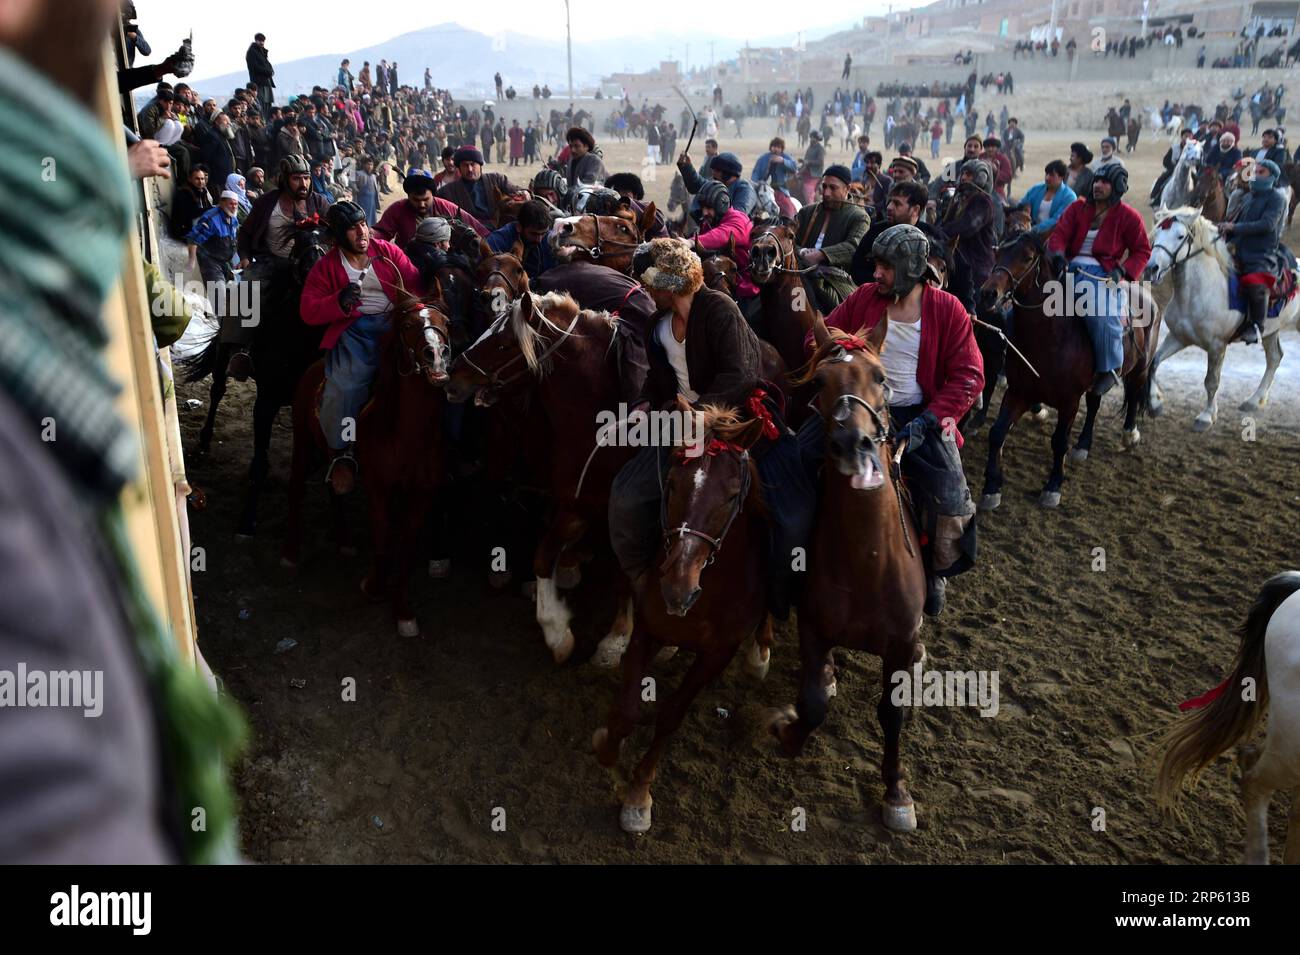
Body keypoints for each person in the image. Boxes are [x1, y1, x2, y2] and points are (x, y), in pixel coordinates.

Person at [608, 239, 813, 621]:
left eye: (651, 283)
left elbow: (741, 373)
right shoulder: (658, 323)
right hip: (678, 422)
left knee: (790, 512)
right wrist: (641, 404)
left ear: (671, 283)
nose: (646, 290)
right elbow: (657, 378)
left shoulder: (720, 309)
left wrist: (702, 413)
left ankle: (776, 598)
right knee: (626, 498)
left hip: (734, 421)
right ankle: (639, 579)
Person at [801, 224, 983, 615]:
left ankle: (934, 570)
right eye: (876, 266)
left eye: (885, 267)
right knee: (795, 462)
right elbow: (817, 339)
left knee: (948, 493)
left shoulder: (948, 309)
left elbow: (970, 375)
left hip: (921, 415)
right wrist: (840, 352)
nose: (876, 274)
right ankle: (794, 557)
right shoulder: (865, 297)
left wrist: (930, 421)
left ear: (910, 269)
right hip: (855, 408)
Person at [299, 200, 425, 495]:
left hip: (395, 324)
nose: (362, 232)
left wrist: (416, 315)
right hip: (355, 332)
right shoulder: (327, 267)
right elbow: (308, 310)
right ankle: (342, 453)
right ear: (339, 235)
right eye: (352, 228)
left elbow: (414, 285)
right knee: (346, 386)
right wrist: (338, 302)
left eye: (363, 224)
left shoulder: (388, 252)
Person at [1046, 163, 1151, 396]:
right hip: (1068, 269)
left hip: (1102, 275)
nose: (1097, 186)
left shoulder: (1129, 217)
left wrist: (1123, 272)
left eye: (1104, 182)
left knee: (1102, 315)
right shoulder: (1077, 208)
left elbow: (1142, 250)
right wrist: (1059, 256)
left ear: (1117, 188)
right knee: (1028, 303)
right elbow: (1059, 236)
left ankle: (1109, 368)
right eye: (1096, 181)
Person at [236, 155, 332, 378]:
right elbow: (246, 233)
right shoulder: (266, 203)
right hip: (272, 262)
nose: (304, 184)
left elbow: (337, 230)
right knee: (245, 291)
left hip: (311, 265)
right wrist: (244, 256)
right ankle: (240, 351)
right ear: (285, 179)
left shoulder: (319, 202)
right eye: (297, 178)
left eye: (306, 178)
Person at [1219, 159, 1288, 344]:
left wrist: (1235, 228)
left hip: (1261, 253)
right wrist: (1224, 229)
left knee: (1255, 283)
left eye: (1261, 172)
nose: (1255, 175)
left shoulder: (1277, 198)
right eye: (1255, 171)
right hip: (1238, 248)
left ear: (1272, 176)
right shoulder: (1248, 197)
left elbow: (1267, 224)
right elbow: (1236, 221)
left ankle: (1257, 326)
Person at [792, 164, 869, 312]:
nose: (826, 193)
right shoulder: (807, 212)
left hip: (835, 281)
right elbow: (789, 240)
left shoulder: (859, 217)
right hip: (798, 273)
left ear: (847, 189)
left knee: (836, 313)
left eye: (833, 188)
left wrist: (820, 255)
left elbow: (853, 247)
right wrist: (802, 253)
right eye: (824, 187)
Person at [850, 179, 947, 284]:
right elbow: (857, 269)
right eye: (890, 201)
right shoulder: (876, 232)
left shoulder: (934, 237)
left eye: (897, 204)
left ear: (915, 210)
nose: (889, 207)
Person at [938, 159, 998, 312]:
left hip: (976, 268)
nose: (964, 177)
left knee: (974, 312)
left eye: (969, 174)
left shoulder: (983, 202)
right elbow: (946, 223)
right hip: (958, 262)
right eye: (963, 173)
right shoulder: (959, 198)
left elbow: (967, 227)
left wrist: (939, 234)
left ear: (981, 177)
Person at [375, 168, 488, 247]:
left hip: (445, 265)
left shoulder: (447, 207)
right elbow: (381, 233)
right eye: (416, 200)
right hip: (408, 263)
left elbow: (478, 230)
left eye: (426, 200)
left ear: (433, 195)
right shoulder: (397, 209)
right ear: (408, 196)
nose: (422, 204)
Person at [693, 179, 758, 314]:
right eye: (703, 208)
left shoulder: (738, 220)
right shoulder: (708, 224)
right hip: (722, 284)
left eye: (709, 208)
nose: (704, 212)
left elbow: (721, 235)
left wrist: (688, 242)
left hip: (747, 289)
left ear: (722, 204)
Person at [186, 190, 241, 336]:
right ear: (222, 202)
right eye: (231, 203)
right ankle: (221, 333)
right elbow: (193, 239)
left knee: (234, 296)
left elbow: (233, 241)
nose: (234, 206)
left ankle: (228, 327)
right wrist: (191, 260)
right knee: (219, 298)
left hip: (225, 262)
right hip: (210, 262)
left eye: (236, 204)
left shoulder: (233, 218)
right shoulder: (211, 218)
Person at [437, 145, 524, 225]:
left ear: (480, 165)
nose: (470, 169)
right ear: (459, 168)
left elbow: (520, 192)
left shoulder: (497, 180)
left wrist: (525, 193)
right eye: (465, 165)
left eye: (473, 164)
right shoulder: (448, 191)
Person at [485, 198, 556, 279]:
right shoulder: (498, 241)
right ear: (519, 227)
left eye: (543, 233)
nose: (539, 240)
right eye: (534, 234)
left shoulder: (548, 239)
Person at [679, 150, 757, 218]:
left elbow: (737, 217)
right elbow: (697, 184)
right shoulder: (717, 186)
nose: (713, 173)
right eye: (713, 170)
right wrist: (686, 167)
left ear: (728, 173)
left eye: (717, 171)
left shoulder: (745, 190)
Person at [1021, 160, 1077, 234]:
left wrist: (1033, 230)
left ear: (1061, 177)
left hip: (1054, 236)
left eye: (1051, 175)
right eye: (1046, 174)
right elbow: (1021, 205)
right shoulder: (1036, 189)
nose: (1047, 178)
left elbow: (1057, 220)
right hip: (1029, 233)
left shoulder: (1069, 197)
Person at [749, 137, 799, 217]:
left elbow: (794, 167)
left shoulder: (785, 157)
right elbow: (756, 174)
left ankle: (790, 224)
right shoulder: (764, 158)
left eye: (778, 147)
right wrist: (755, 185)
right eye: (774, 147)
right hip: (764, 190)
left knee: (788, 211)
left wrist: (783, 161)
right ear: (771, 147)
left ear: (782, 149)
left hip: (781, 190)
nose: (776, 149)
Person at [169, 163, 212, 240]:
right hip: (184, 230)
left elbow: (207, 208)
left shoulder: (202, 191)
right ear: (190, 179)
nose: (200, 182)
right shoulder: (184, 193)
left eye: (202, 179)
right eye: (197, 179)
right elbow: (187, 215)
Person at [246, 32, 274, 119]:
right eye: (260, 40)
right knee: (261, 104)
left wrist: (270, 71)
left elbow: (268, 65)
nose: (262, 43)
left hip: (266, 82)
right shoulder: (252, 52)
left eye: (263, 41)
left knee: (268, 103)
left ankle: (266, 121)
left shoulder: (262, 52)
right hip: (259, 83)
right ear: (256, 40)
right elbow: (255, 67)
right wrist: (268, 72)